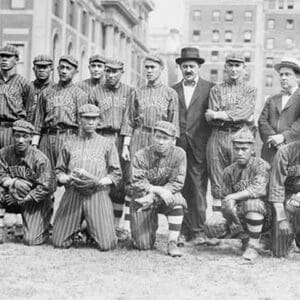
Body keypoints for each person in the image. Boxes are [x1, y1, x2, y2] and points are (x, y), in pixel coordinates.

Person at [52, 104, 122, 250]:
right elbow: (58, 171)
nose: (90, 122)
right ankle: (80, 225)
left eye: (94, 118)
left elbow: (116, 173)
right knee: (59, 242)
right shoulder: (69, 142)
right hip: (74, 192)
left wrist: (101, 180)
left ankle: (88, 227)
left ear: (99, 121)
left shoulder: (107, 143)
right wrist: (66, 178)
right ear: (79, 120)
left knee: (107, 244)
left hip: (97, 193)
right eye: (86, 118)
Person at [204, 127, 271, 261]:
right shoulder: (229, 171)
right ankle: (245, 238)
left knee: (252, 204)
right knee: (211, 225)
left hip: (265, 215)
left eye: (244, 149)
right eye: (236, 148)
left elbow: (258, 189)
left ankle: (254, 246)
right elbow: (225, 197)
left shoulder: (261, 165)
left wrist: (234, 197)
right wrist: (227, 211)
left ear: (252, 150)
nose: (240, 153)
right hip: (240, 214)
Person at [206, 52, 257, 215]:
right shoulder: (216, 89)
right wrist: (232, 116)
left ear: (244, 68)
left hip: (240, 136)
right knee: (217, 180)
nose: (234, 69)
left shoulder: (250, 90)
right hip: (218, 135)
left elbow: (246, 112)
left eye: (238, 65)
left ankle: (238, 225)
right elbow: (210, 118)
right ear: (225, 67)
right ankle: (217, 223)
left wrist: (220, 114)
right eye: (231, 65)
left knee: (240, 179)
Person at [172, 47, 214, 244]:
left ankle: (198, 230)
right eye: (185, 66)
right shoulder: (173, 90)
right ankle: (181, 230)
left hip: (199, 145)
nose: (188, 70)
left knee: (197, 188)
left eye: (192, 66)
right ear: (180, 68)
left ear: (199, 68)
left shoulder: (209, 88)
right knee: (179, 187)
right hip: (178, 145)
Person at [130, 121, 186, 257]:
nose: (161, 142)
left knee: (177, 200)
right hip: (143, 198)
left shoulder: (179, 154)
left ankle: (172, 241)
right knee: (143, 245)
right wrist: (157, 190)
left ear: (173, 140)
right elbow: (137, 182)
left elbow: (177, 182)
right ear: (153, 137)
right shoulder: (141, 155)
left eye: (165, 138)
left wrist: (156, 195)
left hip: (165, 197)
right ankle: (140, 231)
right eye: (158, 137)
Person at [94, 59, 134, 239]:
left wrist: (126, 143)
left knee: (120, 181)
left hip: (121, 137)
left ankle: (119, 226)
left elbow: (130, 119)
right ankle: (98, 224)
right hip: (102, 135)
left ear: (121, 72)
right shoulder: (96, 91)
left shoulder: (130, 91)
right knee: (100, 178)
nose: (110, 75)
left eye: (115, 71)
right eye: (108, 71)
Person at [0, 120, 54, 245]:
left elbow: (45, 187)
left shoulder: (40, 159)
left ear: (30, 138)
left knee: (31, 240)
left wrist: (20, 200)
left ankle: (42, 225)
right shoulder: (3, 153)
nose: (20, 140)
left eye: (25, 136)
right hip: (11, 194)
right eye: (17, 136)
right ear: (12, 136)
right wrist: (12, 182)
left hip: (35, 200)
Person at [33, 55, 91, 168]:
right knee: (45, 174)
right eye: (62, 67)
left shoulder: (80, 95)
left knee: (65, 175)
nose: (64, 71)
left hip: (68, 136)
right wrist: (34, 144)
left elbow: (82, 125)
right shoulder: (46, 92)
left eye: (68, 68)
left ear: (76, 72)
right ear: (58, 69)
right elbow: (38, 122)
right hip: (47, 137)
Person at [259, 58, 300, 165]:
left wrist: (283, 137)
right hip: (270, 151)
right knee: (268, 180)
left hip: (293, 151)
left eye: (287, 74)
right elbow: (262, 121)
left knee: (291, 180)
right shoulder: (272, 99)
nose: (283, 78)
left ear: (297, 77)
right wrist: (274, 139)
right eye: (281, 75)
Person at [269, 141, 300, 257]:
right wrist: (282, 218)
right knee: (280, 252)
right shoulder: (285, 152)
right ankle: (289, 240)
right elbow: (276, 187)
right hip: (286, 198)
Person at [0, 44, 30, 147]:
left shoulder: (24, 83)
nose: (4, 59)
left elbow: (29, 110)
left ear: (16, 59)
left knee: (11, 161)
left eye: (8, 56)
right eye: (2, 56)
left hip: (13, 128)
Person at [26, 55, 54, 124]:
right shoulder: (27, 87)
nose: (41, 70)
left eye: (45, 67)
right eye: (38, 67)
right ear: (33, 69)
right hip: (28, 127)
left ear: (51, 69)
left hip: (46, 130)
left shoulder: (56, 89)